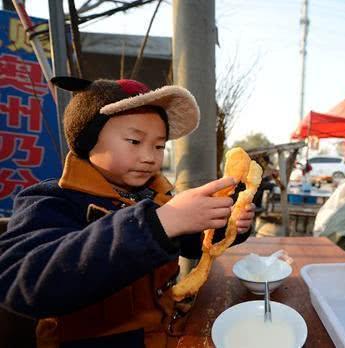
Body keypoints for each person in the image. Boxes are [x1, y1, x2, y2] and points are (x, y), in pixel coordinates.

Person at [0, 77, 256, 348]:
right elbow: (21, 280)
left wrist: (228, 226)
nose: (150, 156)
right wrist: (158, 224)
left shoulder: (153, 197)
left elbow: (193, 244)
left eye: (159, 146)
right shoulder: (53, 199)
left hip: (166, 333)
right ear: (88, 140)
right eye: (135, 141)